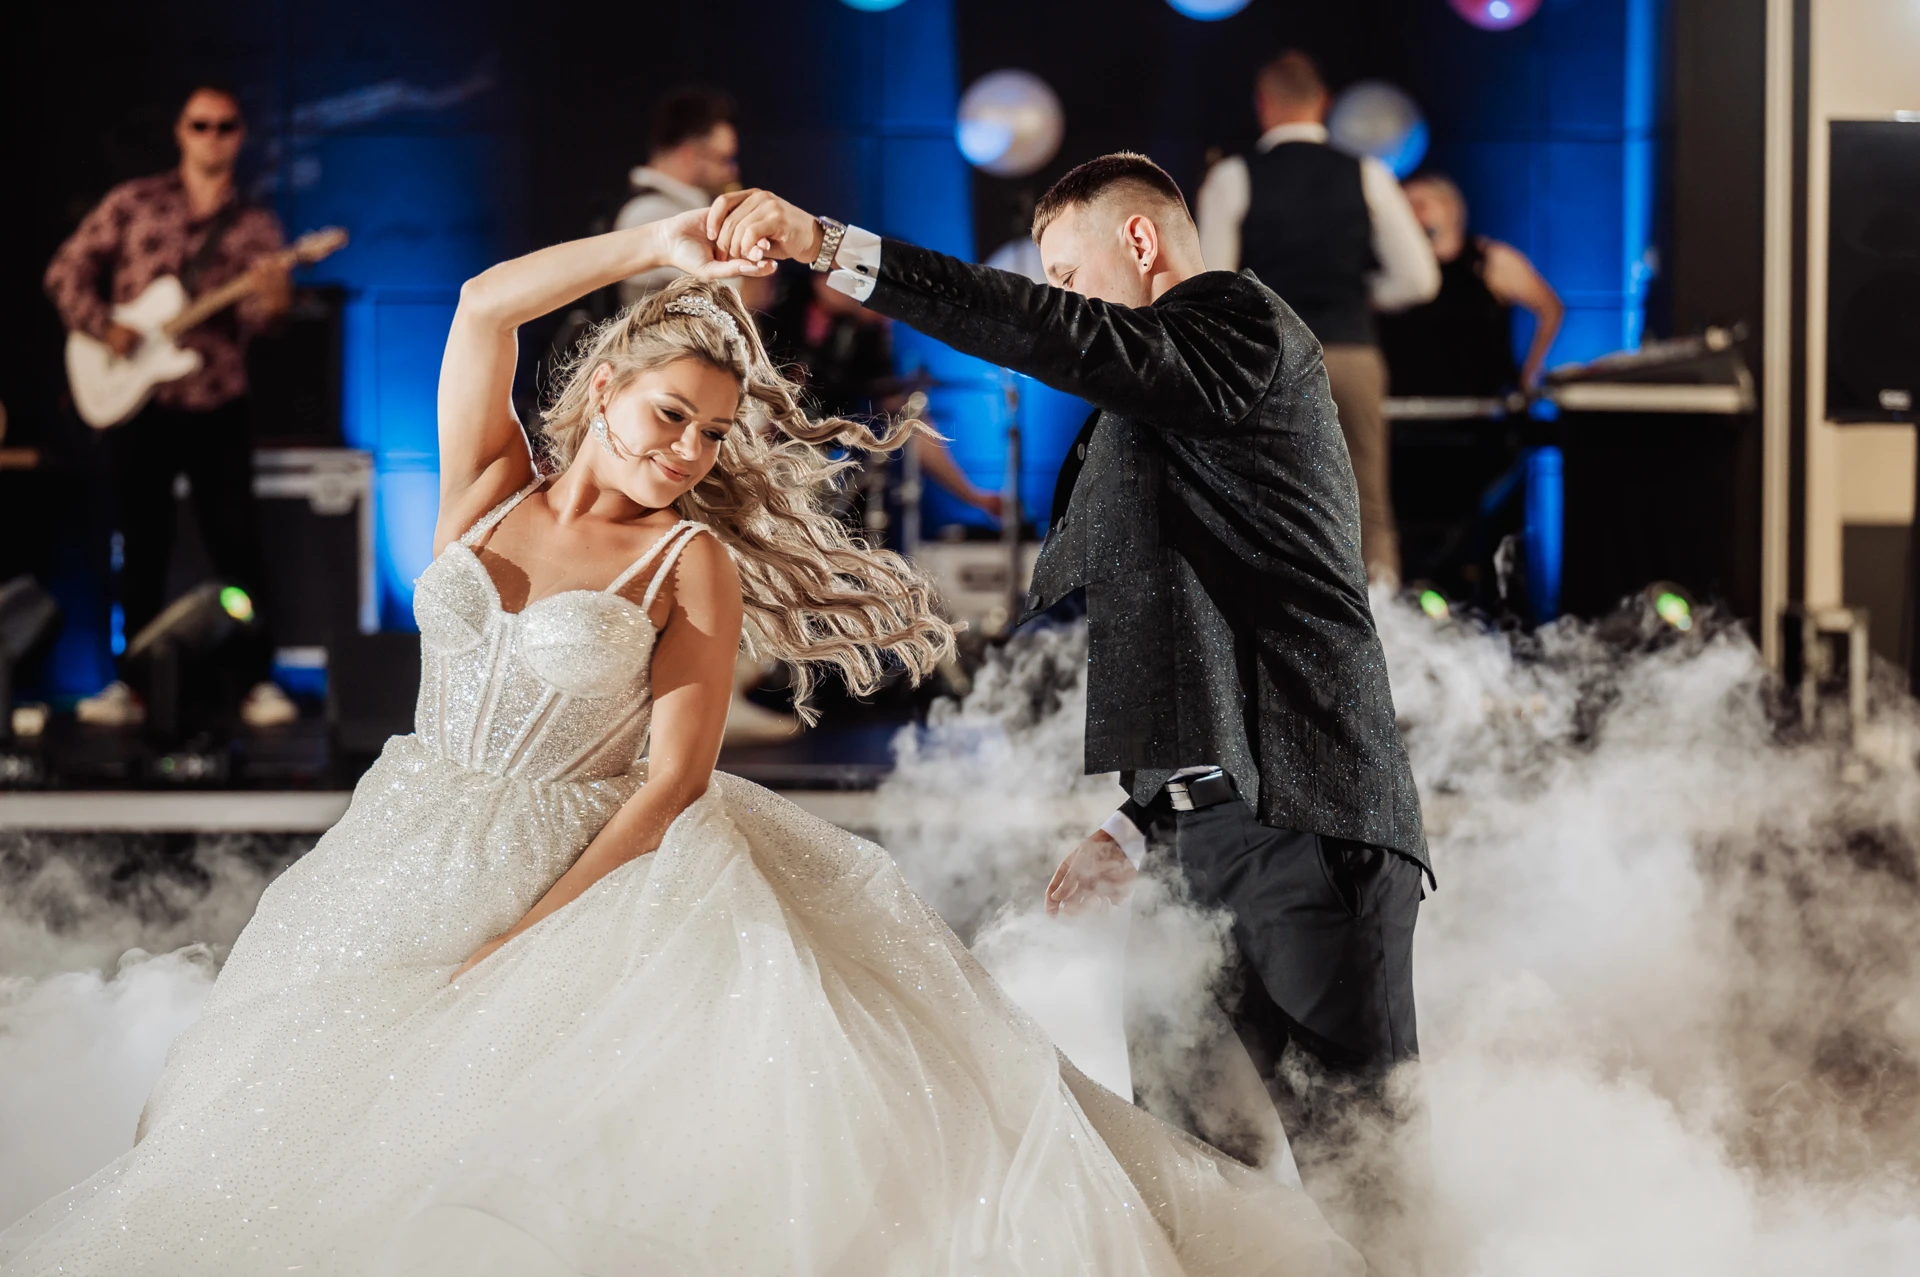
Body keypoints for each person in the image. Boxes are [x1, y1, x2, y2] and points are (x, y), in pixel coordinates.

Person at [0, 209, 1358, 1276]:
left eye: (711, 437)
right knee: (291, 1132)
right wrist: (656, 243)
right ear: (604, 390)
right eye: (669, 418)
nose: (688, 452)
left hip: (591, 863)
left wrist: (526, 938)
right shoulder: (484, 492)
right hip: (403, 837)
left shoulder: (686, 560)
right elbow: (482, 305)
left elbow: (670, 785)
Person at [707, 153, 1430, 1259]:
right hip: (1198, 835)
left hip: (1308, 820)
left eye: (1066, 273)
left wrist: (829, 246)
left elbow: (1052, 333)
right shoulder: (1167, 398)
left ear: (1140, 242)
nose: (1062, 299)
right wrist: (1139, 819)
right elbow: (1194, 620)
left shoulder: (1239, 325)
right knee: (1189, 1181)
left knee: (1370, 1186)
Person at [44, 84, 297, 730]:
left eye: (225, 126)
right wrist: (105, 326)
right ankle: (131, 684)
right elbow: (65, 272)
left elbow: (261, 323)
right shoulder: (134, 203)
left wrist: (273, 302)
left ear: (240, 135)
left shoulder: (255, 225)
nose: (212, 136)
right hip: (141, 404)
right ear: (181, 131)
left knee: (237, 545)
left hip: (217, 398)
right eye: (200, 125)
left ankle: (255, 679)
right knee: (140, 545)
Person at [1193, 50, 1439, 589]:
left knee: (1263, 503)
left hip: (1269, 361)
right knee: (1367, 508)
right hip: (1350, 353)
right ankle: (1382, 632)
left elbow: (1214, 289)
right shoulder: (1368, 173)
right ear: (1324, 103)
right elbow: (1420, 281)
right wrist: (1365, 295)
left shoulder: (1233, 177)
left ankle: (1273, 630)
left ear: (1263, 104)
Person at [759, 266, 1006, 527]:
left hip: (822, 451)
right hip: (766, 443)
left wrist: (973, 496)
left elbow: (897, 406)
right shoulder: (779, 303)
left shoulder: (865, 333)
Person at [1380, 172, 1565, 395]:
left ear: (1450, 208)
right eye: (1404, 207)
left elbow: (1550, 308)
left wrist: (1530, 373)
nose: (1412, 215)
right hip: (1406, 402)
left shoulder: (1490, 261)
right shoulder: (1393, 269)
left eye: (1420, 205)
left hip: (1480, 403)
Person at [613, 87, 741, 306]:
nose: (732, 171)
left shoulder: (672, 208)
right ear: (688, 155)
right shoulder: (648, 213)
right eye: (723, 159)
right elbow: (737, 298)